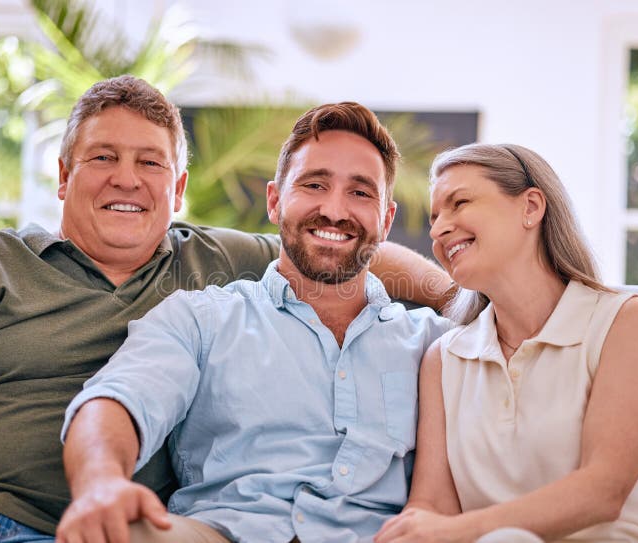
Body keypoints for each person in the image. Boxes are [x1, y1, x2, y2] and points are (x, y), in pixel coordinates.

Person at [0, 77, 453, 541]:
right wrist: (100, 481)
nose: (127, 178)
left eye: (150, 162)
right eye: (103, 157)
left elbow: (338, 249)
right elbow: (115, 400)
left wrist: (460, 299)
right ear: (64, 175)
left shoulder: (211, 259)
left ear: (178, 189)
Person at [56, 102, 455, 543]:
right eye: (314, 184)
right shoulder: (201, 319)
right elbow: (117, 401)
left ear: (386, 219)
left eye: (360, 193)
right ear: (275, 200)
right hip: (222, 533)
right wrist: (101, 482)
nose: (335, 210)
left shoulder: (435, 345)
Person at [375, 143, 638, 542]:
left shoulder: (622, 322)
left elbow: (603, 491)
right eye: (435, 217)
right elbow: (432, 506)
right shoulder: (444, 359)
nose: (438, 229)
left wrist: (456, 531)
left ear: (530, 207)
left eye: (460, 203)